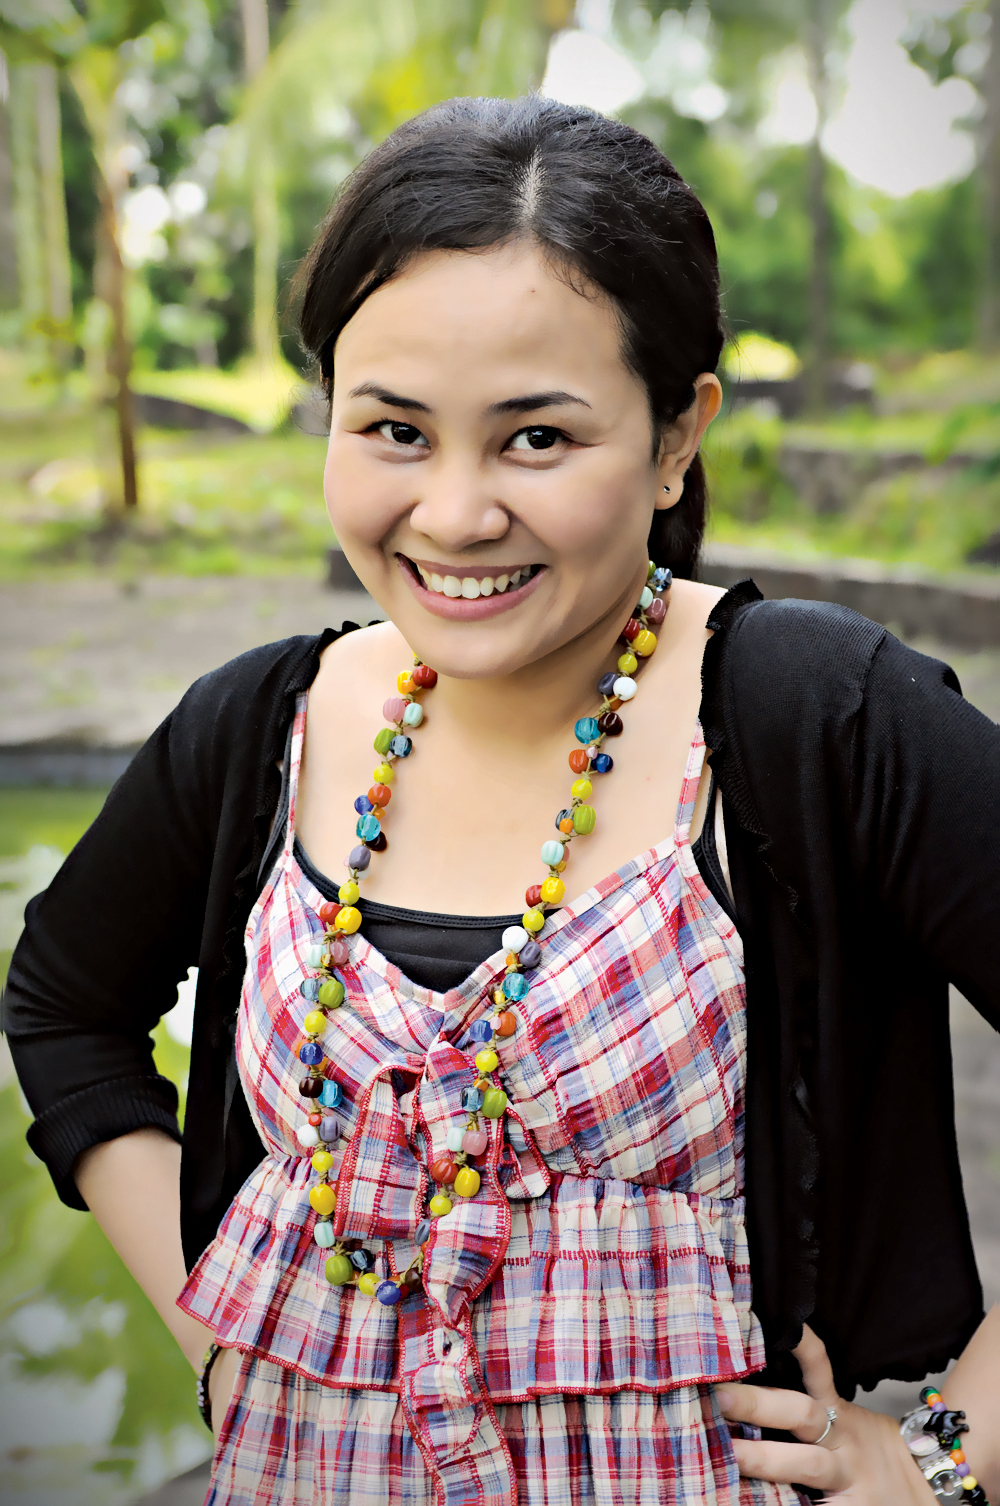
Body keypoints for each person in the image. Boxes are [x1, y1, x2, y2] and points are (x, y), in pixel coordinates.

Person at [4, 95, 1000, 1506]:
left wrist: (947, 1456)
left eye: (536, 438)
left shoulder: (817, 716)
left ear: (674, 437)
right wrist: (222, 1328)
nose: (458, 512)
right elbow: (62, 1003)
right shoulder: (262, 724)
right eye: (395, 429)